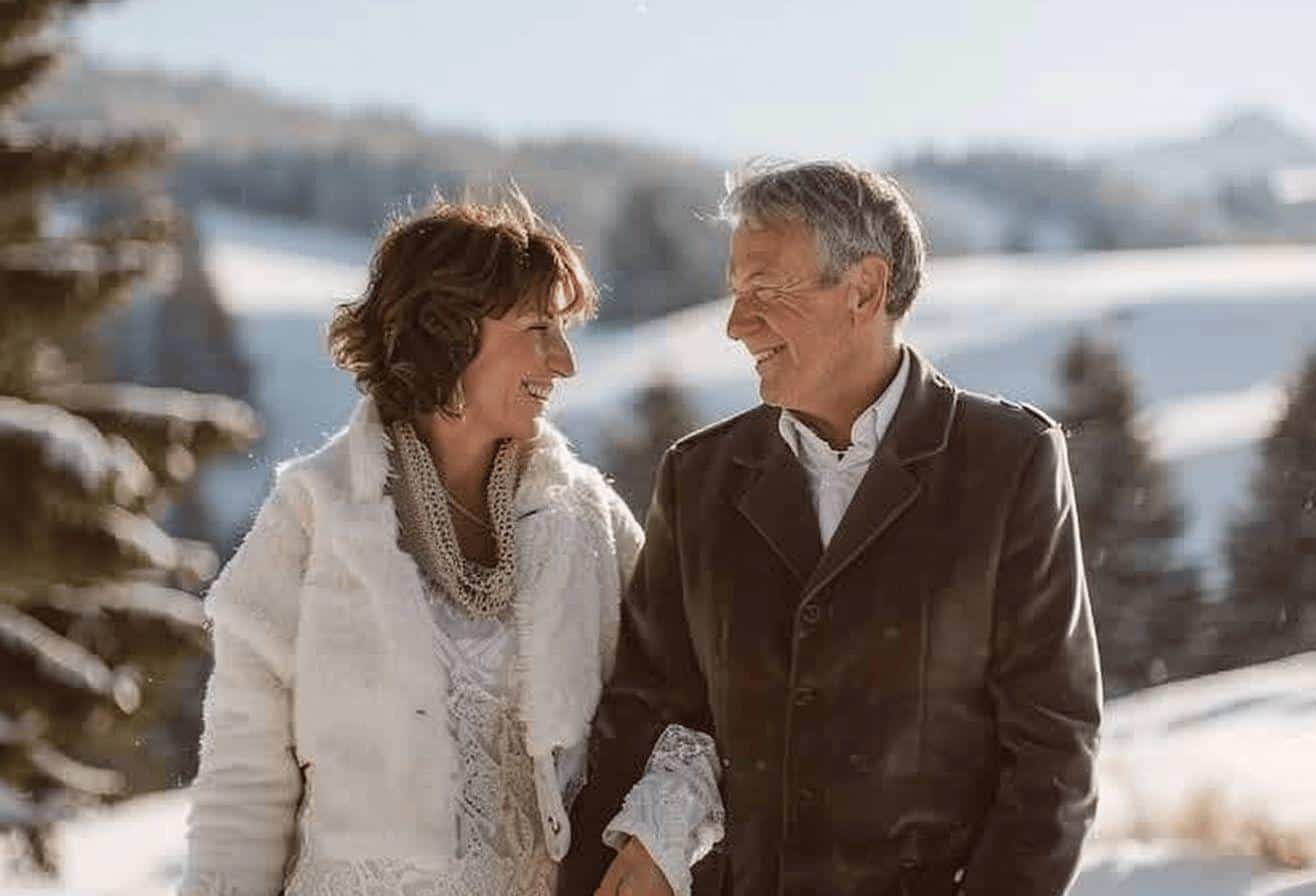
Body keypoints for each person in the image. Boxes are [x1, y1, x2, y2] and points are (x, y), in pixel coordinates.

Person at [560, 161, 1102, 896]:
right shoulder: (701, 477)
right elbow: (646, 717)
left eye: (766, 291)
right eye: (735, 292)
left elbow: (1052, 752)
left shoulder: (1009, 462)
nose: (735, 323)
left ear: (865, 290)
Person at [179, 193, 642, 896]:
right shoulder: (314, 516)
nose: (565, 362)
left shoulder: (590, 520)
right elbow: (243, 782)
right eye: (539, 327)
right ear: (449, 330)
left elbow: (674, 710)